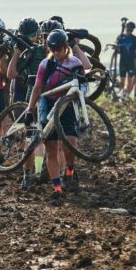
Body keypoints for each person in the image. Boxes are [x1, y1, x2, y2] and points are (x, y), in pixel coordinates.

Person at [25, 29, 92, 199]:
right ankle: (57, 188)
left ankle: (70, 170)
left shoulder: (75, 63)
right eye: (52, 49)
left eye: (58, 49)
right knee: (52, 149)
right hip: (47, 103)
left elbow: (83, 84)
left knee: (71, 144)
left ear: (65, 47)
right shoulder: (45, 65)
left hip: (67, 105)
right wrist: (29, 109)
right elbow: (37, 88)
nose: (55, 53)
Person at [7, 18, 48, 189]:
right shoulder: (38, 51)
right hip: (32, 97)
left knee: (33, 139)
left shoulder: (34, 50)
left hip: (30, 95)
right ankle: (33, 173)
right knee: (35, 139)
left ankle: (30, 175)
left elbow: (10, 74)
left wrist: (17, 51)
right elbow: (10, 73)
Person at [116, 21, 136, 101]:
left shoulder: (134, 38)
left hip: (131, 61)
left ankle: (126, 94)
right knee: (122, 80)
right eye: (128, 30)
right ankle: (123, 93)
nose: (129, 31)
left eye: (131, 30)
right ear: (126, 29)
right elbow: (116, 47)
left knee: (130, 79)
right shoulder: (120, 37)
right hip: (122, 61)